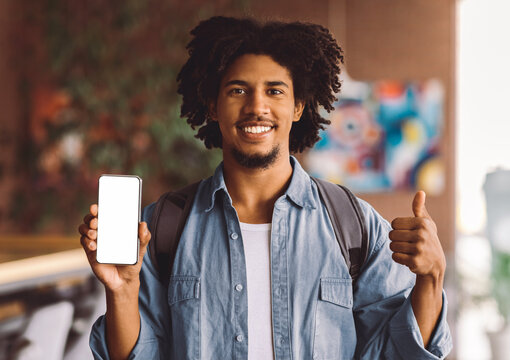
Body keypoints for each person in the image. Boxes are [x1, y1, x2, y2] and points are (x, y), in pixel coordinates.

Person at [78, 16, 452, 360]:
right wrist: (122, 290)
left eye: (275, 91)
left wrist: (431, 278)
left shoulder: (353, 224)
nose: (257, 107)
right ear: (212, 105)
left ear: (298, 106)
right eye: (238, 91)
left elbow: (395, 353)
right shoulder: (162, 227)